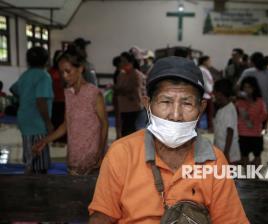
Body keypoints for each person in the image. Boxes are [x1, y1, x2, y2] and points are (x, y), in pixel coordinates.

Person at [88, 56, 249, 223]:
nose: (175, 116)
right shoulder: (122, 153)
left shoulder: (214, 162)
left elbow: (230, 219)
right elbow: (102, 215)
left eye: (187, 104)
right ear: (148, 104)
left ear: (201, 108)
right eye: (165, 101)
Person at [33, 46, 108, 175]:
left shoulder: (94, 93)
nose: (65, 76)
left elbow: (104, 124)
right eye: (62, 72)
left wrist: (100, 152)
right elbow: (66, 124)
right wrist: (45, 141)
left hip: (92, 157)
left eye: (68, 71)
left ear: (80, 68)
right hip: (74, 155)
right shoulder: (68, 93)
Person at [10, 47, 53, 174]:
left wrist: (25, 98)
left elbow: (13, 89)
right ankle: (36, 185)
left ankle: (29, 173)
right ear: (46, 61)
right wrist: (48, 122)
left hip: (24, 118)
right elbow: (41, 101)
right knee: (39, 156)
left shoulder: (25, 75)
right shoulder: (44, 76)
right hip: (37, 121)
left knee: (29, 153)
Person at [236, 76, 268, 166]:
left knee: (257, 156)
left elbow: (264, 115)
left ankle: (255, 176)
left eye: (249, 87)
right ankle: (248, 177)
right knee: (244, 156)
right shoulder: (240, 102)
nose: (247, 90)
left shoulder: (260, 101)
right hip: (243, 133)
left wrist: (255, 121)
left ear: (254, 88)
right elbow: (240, 114)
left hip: (256, 133)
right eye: (245, 87)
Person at [114, 51, 147, 137]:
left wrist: (122, 90)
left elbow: (134, 91)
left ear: (130, 62)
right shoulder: (121, 74)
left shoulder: (136, 74)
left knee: (131, 133)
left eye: (124, 61)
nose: (121, 63)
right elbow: (118, 89)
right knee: (124, 133)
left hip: (134, 109)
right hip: (123, 108)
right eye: (121, 61)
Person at [213, 79, 240, 164]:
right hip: (221, 151)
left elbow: (230, 132)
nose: (214, 96)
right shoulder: (221, 109)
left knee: (229, 175)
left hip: (229, 154)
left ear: (220, 94)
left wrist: (226, 152)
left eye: (215, 93)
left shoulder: (229, 110)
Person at [48, 50, 66, 144]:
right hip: (54, 100)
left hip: (64, 99)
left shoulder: (65, 71)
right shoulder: (51, 71)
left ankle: (63, 139)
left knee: (63, 120)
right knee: (55, 119)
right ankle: (55, 139)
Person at [199, 55, 214, 131]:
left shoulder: (206, 70)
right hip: (205, 95)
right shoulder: (202, 70)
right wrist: (210, 92)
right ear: (204, 61)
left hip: (208, 94)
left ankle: (210, 128)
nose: (210, 63)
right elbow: (205, 83)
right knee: (201, 113)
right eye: (209, 61)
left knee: (209, 113)